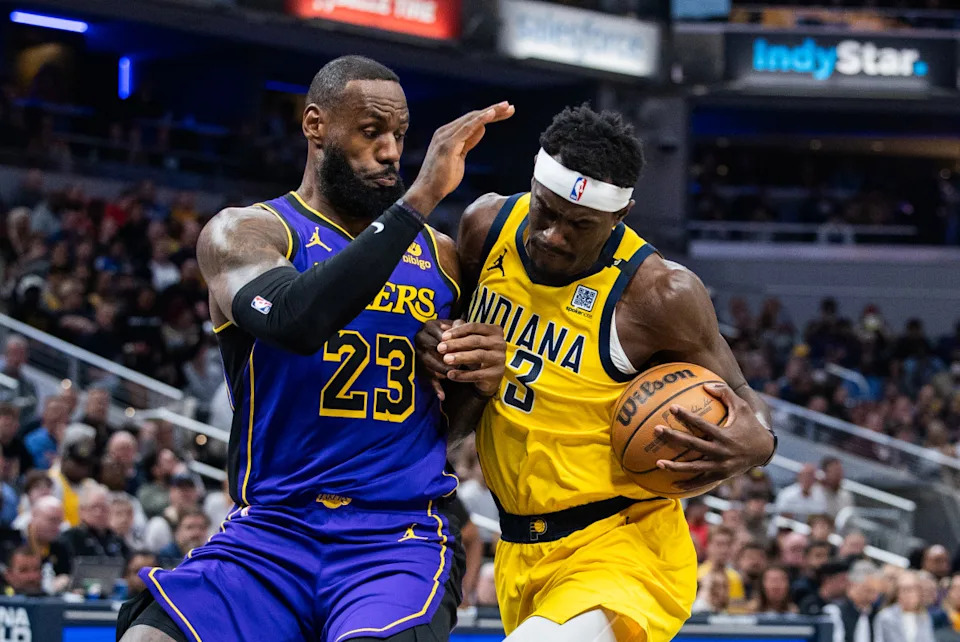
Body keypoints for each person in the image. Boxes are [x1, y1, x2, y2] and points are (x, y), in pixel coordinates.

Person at [117, 55, 513, 642]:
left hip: (393, 537)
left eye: (400, 136)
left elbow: (444, 428)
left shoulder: (444, 260)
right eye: (371, 131)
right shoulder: (248, 233)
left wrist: (476, 381)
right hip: (270, 532)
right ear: (315, 125)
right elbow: (296, 320)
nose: (389, 152)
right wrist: (421, 198)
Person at [417, 104, 776, 641]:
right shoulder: (485, 228)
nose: (554, 236)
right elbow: (458, 410)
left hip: (623, 544)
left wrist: (758, 444)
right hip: (520, 546)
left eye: (579, 225)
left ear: (621, 214)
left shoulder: (660, 294)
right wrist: (442, 349)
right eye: (546, 212)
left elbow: (745, 401)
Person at [874, 570, 937, 642]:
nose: (908, 595)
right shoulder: (885, 616)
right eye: (904, 590)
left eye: (913, 589)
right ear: (897, 593)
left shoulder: (924, 617)